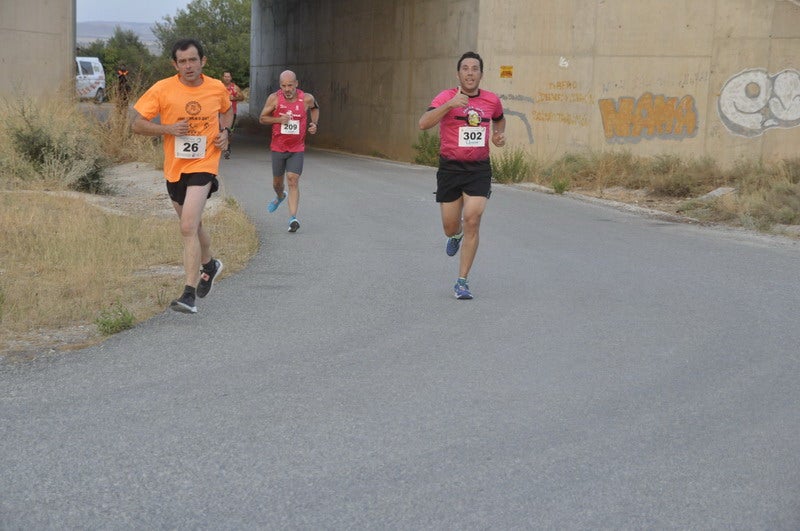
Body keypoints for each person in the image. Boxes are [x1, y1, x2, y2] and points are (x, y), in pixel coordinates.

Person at [131, 38, 233, 314]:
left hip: (204, 163)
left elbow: (227, 110)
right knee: (194, 224)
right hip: (175, 168)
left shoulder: (216, 87)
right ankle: (210, 265)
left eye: (193, 60)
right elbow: (137, 124)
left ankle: (188, 294)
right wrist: (168, 129)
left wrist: (225, 133)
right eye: (182, 61)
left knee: (187, 225)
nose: (188, 66)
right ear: (174, 64)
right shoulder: (162, 89)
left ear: (203, 61)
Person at [418, 51, 506, 300]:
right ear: (458, 74)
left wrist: (498, 137)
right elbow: (423, 123)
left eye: (475, 68)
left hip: (478, 169)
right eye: (465, 68)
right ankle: (454, 236)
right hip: (450, 168)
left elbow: (499, 121)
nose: (470, 73)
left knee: (473, 219)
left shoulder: (491, 100)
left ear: (481, 73)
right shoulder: (446, 97)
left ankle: (462, 281)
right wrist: (449, 105)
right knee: (450, 226)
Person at [258, 70, 320, 232]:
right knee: (277, 183)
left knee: (293, 179)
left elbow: (315, 108)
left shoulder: (307, 98)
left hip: (297, 148)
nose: (287, 89)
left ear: (296, 84)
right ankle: (280, 196)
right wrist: (279, 119)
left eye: (290, 85)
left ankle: (293, 218)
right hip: (278, 147)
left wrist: (314, 124)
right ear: (280, 86)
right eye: (284, 86)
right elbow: (262, 118)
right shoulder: (274, 99)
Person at [221, 71, 244, 159]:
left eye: (228, 77)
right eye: (225, 76)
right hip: (220, 112)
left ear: (231, 78)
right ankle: (217, 148)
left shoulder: (234, 87)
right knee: (218, 130)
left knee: (229, 131)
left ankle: (227, 148)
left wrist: (234, 98)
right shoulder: (219, 87)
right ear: (223, 77)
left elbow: (242, 97)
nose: (227, 78)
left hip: (231, 113)